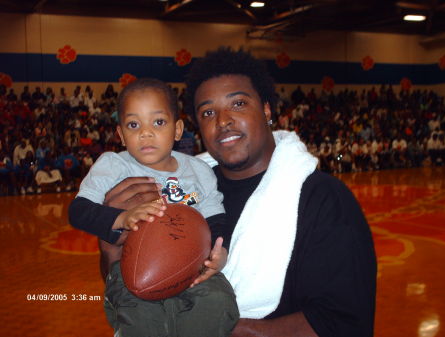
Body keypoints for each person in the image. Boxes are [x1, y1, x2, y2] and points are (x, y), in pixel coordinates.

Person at [100, 48, 377, 337]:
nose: (222, 120)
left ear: (267, 109)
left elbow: (345, 321)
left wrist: (235, 330)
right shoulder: (180, 190)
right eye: (208, 112)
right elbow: (135, 289)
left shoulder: (324, 199)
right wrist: (112, 246)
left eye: (238, 103)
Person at [69, 78, 238, 337]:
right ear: (121, 135)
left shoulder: (199, 170)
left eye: (158, 122)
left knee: (219, 302)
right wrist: (122, 218)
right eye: (133, 125)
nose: (145, 133)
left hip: (190, 267)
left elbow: (215, 217)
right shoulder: (113, 165)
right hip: (134, 272)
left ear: (178, 129)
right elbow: (78, 211)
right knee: (142, 318)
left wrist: (218, 251)